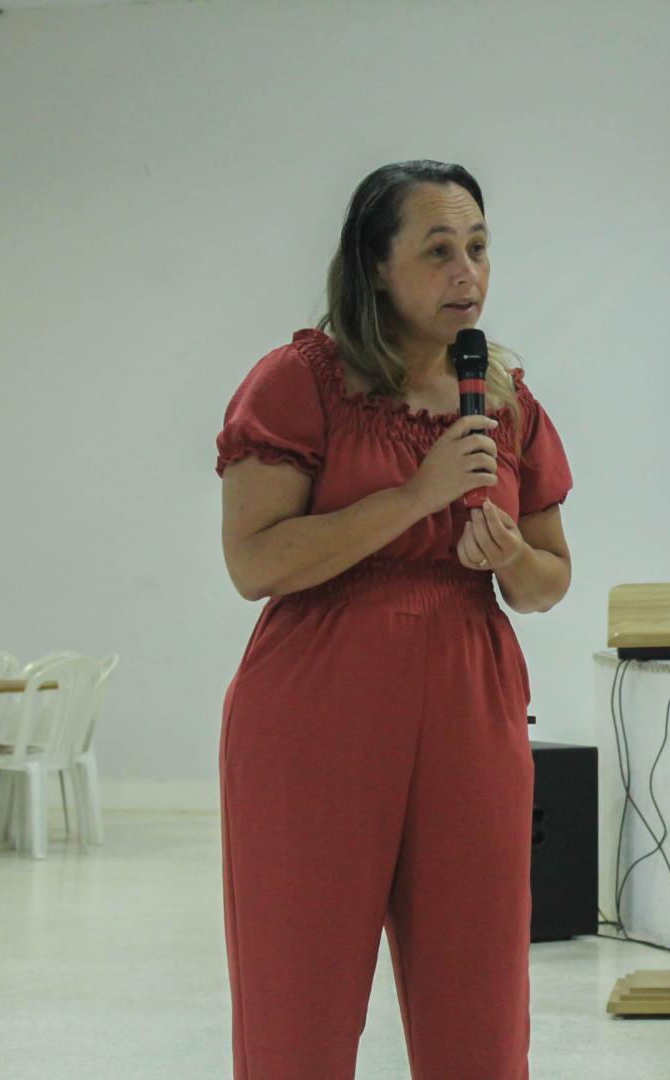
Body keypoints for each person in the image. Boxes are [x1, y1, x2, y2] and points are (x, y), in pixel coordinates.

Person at [215, 160, 572, 1079]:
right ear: (375, 266)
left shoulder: (505, 398)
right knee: (300, 996)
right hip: (318, 699)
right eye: (439, 251)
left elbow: (548, 581)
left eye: (479, 248)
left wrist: (510, 557)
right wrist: (417, 496)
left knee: (481, 995)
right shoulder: (301, 380)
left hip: (470, 695)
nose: (467, 274)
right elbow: (254, 562)